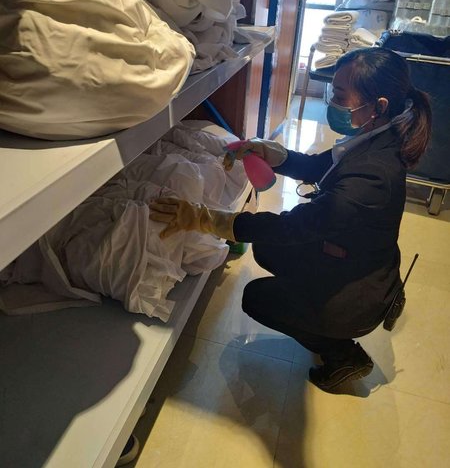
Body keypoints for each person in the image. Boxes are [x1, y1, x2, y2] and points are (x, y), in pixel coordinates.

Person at [149, 47, 432, 392]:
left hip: (359, 293)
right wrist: (270, 153)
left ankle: (343, 354)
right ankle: (327, 302)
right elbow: (318, 167)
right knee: (267, 249)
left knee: (257, 298)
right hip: (355, 259)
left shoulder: (372, 175)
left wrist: (205, 219)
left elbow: (291, 227)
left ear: (379, 105)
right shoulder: (376, 136)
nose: (332, 102)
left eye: (340, 95)